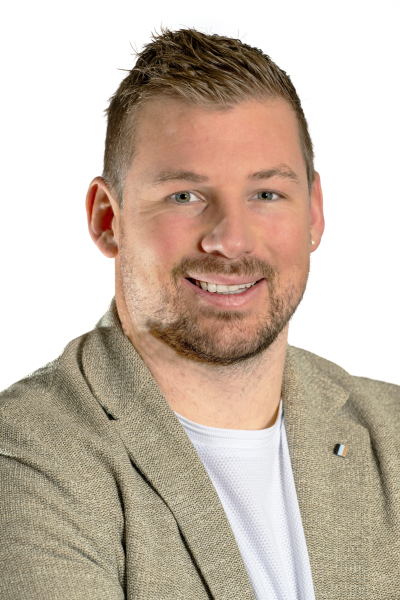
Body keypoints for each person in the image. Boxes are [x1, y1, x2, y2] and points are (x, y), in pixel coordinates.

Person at [0, 26, 399, 600]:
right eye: (184, 196)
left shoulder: (392, 431)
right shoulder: (29, 455)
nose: (231, 240)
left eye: (266, 194)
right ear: (107, 219)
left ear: (313, 213)